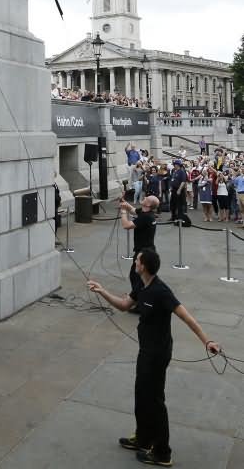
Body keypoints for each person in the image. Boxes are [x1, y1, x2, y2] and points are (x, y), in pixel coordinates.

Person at [88, 248, 220, 467]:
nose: (134, 262)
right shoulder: (141, 285)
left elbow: (187, 318)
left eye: (137, 260)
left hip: (158, 354)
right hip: (145, 351)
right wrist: (102, 291)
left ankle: (162, 452)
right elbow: (124, 305)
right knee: (141, 394)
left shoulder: (161, 292)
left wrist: (208, 341)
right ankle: (143, 438)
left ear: (144, 266)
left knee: (155, 400)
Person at [119, 196, 159, 299]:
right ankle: (137, 299)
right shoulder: (145, 212)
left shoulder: (146, 217)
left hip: (143, 252)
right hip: (147, 249)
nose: (145, 197)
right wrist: (125, 203)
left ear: (148, 205)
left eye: (147, 198)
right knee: (139, 277)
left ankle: (137, 301)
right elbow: (133, 210)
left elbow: (126, 225)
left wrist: (123, 212)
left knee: (136, 276)